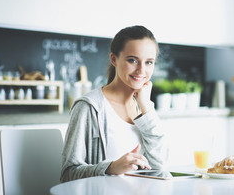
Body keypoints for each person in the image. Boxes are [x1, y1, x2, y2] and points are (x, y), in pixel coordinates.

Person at [60, 25, 167, 182]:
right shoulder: (89, 107)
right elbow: (67, 175)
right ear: (114, 59)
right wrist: (110, 168)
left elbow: (159, 168)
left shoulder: (145, 108)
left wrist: (146, 108)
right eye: (132, 60)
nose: (141, 70)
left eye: (149, 62)